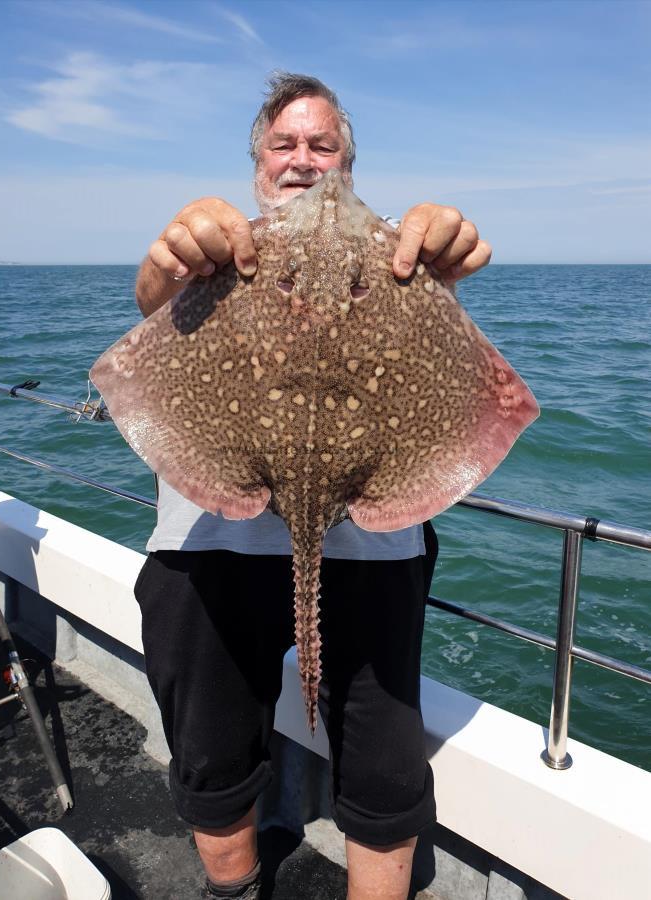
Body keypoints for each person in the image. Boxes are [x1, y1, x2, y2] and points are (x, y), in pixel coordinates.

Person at [133, 73, 491, 900]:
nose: (304, 160)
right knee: (212, 745)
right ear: (259, 162)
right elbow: (150, 301)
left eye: (322, 145)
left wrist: (441, 262)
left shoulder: (397, 257)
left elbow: (464, 340)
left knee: (384, 759)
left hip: (373, 548)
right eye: (284, 144)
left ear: (348, 166)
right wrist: (170, 261)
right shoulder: (216, 248)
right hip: (208, 541)